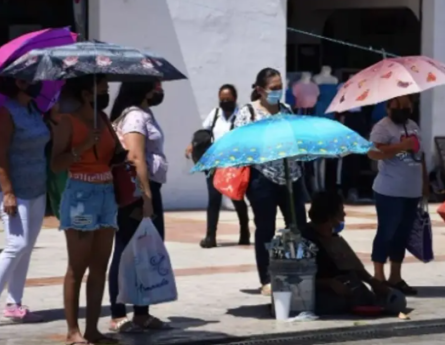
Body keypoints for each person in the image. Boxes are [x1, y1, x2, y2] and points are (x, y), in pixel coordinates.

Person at [0, 77, 49, 328]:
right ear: (19, 83)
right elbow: (1, 156)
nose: (37, 82)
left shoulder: (35, 110)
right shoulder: (5, 114)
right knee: (17, 244)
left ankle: (14, 305)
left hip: (37, 188)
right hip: (12, 190)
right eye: (32, 78)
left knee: (27, 247)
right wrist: (8, 192)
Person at [51, 75, 119, 344]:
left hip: (106, 193)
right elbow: (56, 164)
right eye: (102, 89)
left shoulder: (102, 120)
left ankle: (92, 329)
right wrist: (82, 148)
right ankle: (72, 331)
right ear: (85, 94)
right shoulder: (67, 123)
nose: (106, 94)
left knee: (100, 266)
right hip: (80, 193)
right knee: (77, 267)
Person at [234, 67, 307, 296]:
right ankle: (266, 277)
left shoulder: (286, 110)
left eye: (280, 87)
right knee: (265, 228)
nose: (278, 92)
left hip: (291, 176)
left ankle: (297, 270)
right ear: (260, 90)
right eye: (273, 88)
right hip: (262, 178)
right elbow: (240, 144)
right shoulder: (249, 113)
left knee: (298, 226)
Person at [106, 80, 172, 332]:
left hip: (149, 188)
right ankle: (118, 314)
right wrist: (145, 197)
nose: (160, 91)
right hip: (138, 190)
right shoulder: (134, 116)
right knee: (125, 250)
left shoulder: (144, 113)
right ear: (143, 88)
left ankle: (142, 313)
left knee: (145, 251)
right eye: (156, 86)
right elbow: (135, 158)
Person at [302, 191, 407, 315]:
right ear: (330, 216)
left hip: (343, 285)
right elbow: (297, 278)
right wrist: (328, 283)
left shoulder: (333, 237)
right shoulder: (305, 240)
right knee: (334, 303)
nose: (344, 214)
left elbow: (352, 264)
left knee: (378, 298)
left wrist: (373, 282)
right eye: (341, 211)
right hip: (314, 291)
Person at [367, 96, 427, 296]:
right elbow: (374, 152)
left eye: (407, 106)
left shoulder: (413, 125)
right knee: (386, 232)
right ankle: (378, 276)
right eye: (398, 106)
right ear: (388, 107)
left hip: (411, 190)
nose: (403, 109)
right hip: (389, 190)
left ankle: (395, 276)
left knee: (402, 234)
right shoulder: (382, 127)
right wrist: (401, 146)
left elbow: (421, 156)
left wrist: (425, 183)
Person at [184, 84, 251, 248]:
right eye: (222, 99)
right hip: (214, 164)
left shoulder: (242, 116)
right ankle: (210, 236)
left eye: (228, 99)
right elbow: (204, 132)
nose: (225, 102)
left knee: (236, 199)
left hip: (234, 164)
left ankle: (244, 232)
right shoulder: (215, 114)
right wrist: (193, 145)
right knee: (214, 200)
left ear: (235, 99)